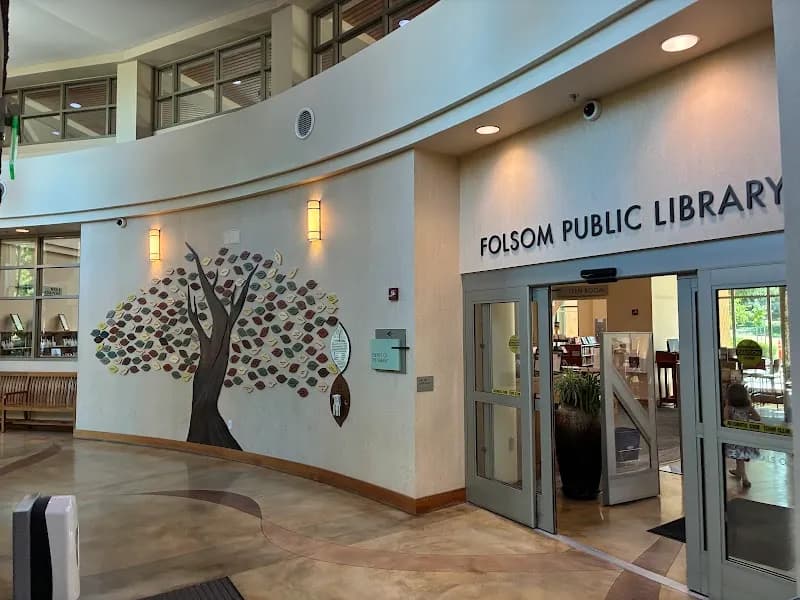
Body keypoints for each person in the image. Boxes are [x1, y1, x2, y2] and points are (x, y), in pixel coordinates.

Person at [724, 383, 761, 488]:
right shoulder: (747, 407)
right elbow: (758, 418)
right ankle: (738, 471)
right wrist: (748, 417)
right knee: (740, 455)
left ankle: (744, 477)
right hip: (745, 435)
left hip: (734, 436)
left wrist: (726, 407)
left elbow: (726, 420)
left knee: (739, 456)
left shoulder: (729, 408)